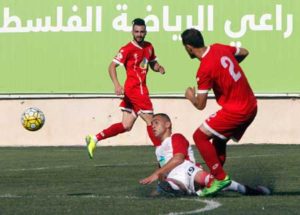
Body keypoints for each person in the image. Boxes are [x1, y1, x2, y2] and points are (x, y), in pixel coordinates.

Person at [181, 28, 258, 197]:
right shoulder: (219, 48)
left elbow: (200, 105)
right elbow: (244, 52)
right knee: (219, 140)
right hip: (251, 104)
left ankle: (221, 178)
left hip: (237, 110)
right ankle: (216, 179)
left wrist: (190, 97)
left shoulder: (204, 69)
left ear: (188, 47)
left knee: (199, 136)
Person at [85, 18, 165, 159]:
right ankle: (162, 157)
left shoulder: (149, 47)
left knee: (126, 125)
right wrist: (116, 84)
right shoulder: (127, 49)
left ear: (145, 32)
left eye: (142, 32)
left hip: (140, 89)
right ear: (132, 32)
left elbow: (151, 63)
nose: (139, 34)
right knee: (150, 120)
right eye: (136, 32)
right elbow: (111, 66)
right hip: (135, 91)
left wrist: (158, 67)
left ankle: (94, 138)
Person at [139, 113, 269, 196]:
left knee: (215, 182)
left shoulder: (176, 137)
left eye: (156, 123)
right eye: (152, 124)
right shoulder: (158, 149)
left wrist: (155, 175)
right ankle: (173, 188)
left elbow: (178, 159)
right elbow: (163, 169)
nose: (153, 127)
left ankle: (253, 191)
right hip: (173, 175)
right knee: (159, 192)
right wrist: (159, 179)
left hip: (186, 169)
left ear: (168, 124)